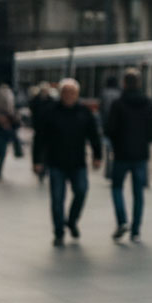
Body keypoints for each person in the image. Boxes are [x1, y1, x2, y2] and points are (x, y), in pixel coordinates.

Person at [35, 79, 102, 247]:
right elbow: (40, 138)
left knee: (81, 191)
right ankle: (59, 231)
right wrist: (37, 161)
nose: (69, 96)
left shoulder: (84, 112)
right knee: (57, 200)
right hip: (56, 162)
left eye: (72, 93)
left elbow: (94, 135)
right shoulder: (50, 112)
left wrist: (97, 155)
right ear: (60, 94)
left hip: (77, 162)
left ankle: (72, 221)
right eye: (65, 93)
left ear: (77, 95)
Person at [105, 68, 152, 243]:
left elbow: (110, 129)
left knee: (116, 188)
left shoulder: (118, 104)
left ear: (124, 84)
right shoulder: (148, 103)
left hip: (121, 154)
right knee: (138, 193)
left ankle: (122, 221)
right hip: (140, 154)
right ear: (139, 84)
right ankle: (136, 230)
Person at [0, 82, 22, 181]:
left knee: (1, 149)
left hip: (4, 127)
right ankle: (16, 150)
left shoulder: (6, 96)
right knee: (0, 149)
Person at [28, 82, 56, 184]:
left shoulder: (51, 101)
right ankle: (39, 167)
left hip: (49, 131)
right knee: (38, 149)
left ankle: (45, 168)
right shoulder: (36, 101)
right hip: (39, 130)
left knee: (47, 150)